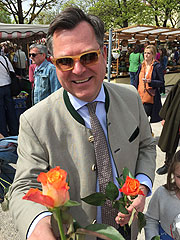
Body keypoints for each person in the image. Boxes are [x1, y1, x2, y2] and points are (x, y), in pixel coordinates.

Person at [9, 7, 156, 240]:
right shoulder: (35, 121)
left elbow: (146, 146)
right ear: (53, 63)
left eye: (88, 57)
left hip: (127, 230)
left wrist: (142, 186)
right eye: (65, 61)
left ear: (104, 53)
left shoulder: (130, 97)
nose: (78, 70)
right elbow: (23, 186)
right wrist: (38, 226)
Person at [145, 150, 180, 239]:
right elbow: (151, 219)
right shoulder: (162, 194)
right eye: (179, 176)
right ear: (172, 172)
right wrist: (152, 237)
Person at [133, 45, 165, 123]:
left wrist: (150, 82)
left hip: (149, 98)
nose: (146, 55)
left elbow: (162, 82)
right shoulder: (141, 66)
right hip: (139, 97)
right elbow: (136, 81)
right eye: (145, 53)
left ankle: (147, 134)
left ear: (153, 55)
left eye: (149, 53)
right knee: (140, 120)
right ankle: (149, 133)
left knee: (142, 120)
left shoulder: (157, 66)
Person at [156, 79, 180, 175]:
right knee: (170, 140)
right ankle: (168, 164)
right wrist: (165, 116)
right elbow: (171, 97)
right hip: (176, 116)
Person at [0, 54, 19, 137]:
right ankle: (15, 131)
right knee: (11, 110)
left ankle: (3, 133)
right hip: (8, 87)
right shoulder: (4, 58)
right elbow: (12, 72)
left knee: (1, 112)